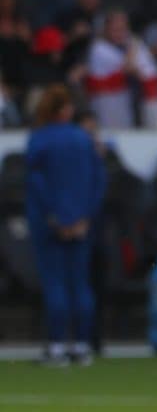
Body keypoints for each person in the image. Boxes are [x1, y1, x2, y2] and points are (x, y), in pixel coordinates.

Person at [24, 85, 104, 366]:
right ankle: (82, 345)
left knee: (55, 282)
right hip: (81, 221)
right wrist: (83, 216)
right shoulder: (84, 139)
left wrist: (56, 216)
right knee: (80, 283)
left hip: (50, 222)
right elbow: (97, 181)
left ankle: (57, 346)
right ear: (66, 110)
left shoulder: (40, 140)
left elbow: (37, 183)